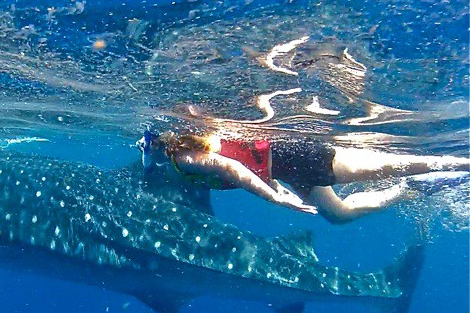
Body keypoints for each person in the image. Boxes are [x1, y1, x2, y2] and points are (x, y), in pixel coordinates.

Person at [136, 130, 470, 224]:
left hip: (298, 157)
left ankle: (462, 163)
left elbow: (232, 169)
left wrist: (274, 198)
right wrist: (278, 185)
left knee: (398, 163)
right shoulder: (174, 156)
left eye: (145, 144)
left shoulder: (184, 156)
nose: (143, 149)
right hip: (286, 169)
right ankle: (407, 191)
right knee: (338, 215)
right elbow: (252, 165)